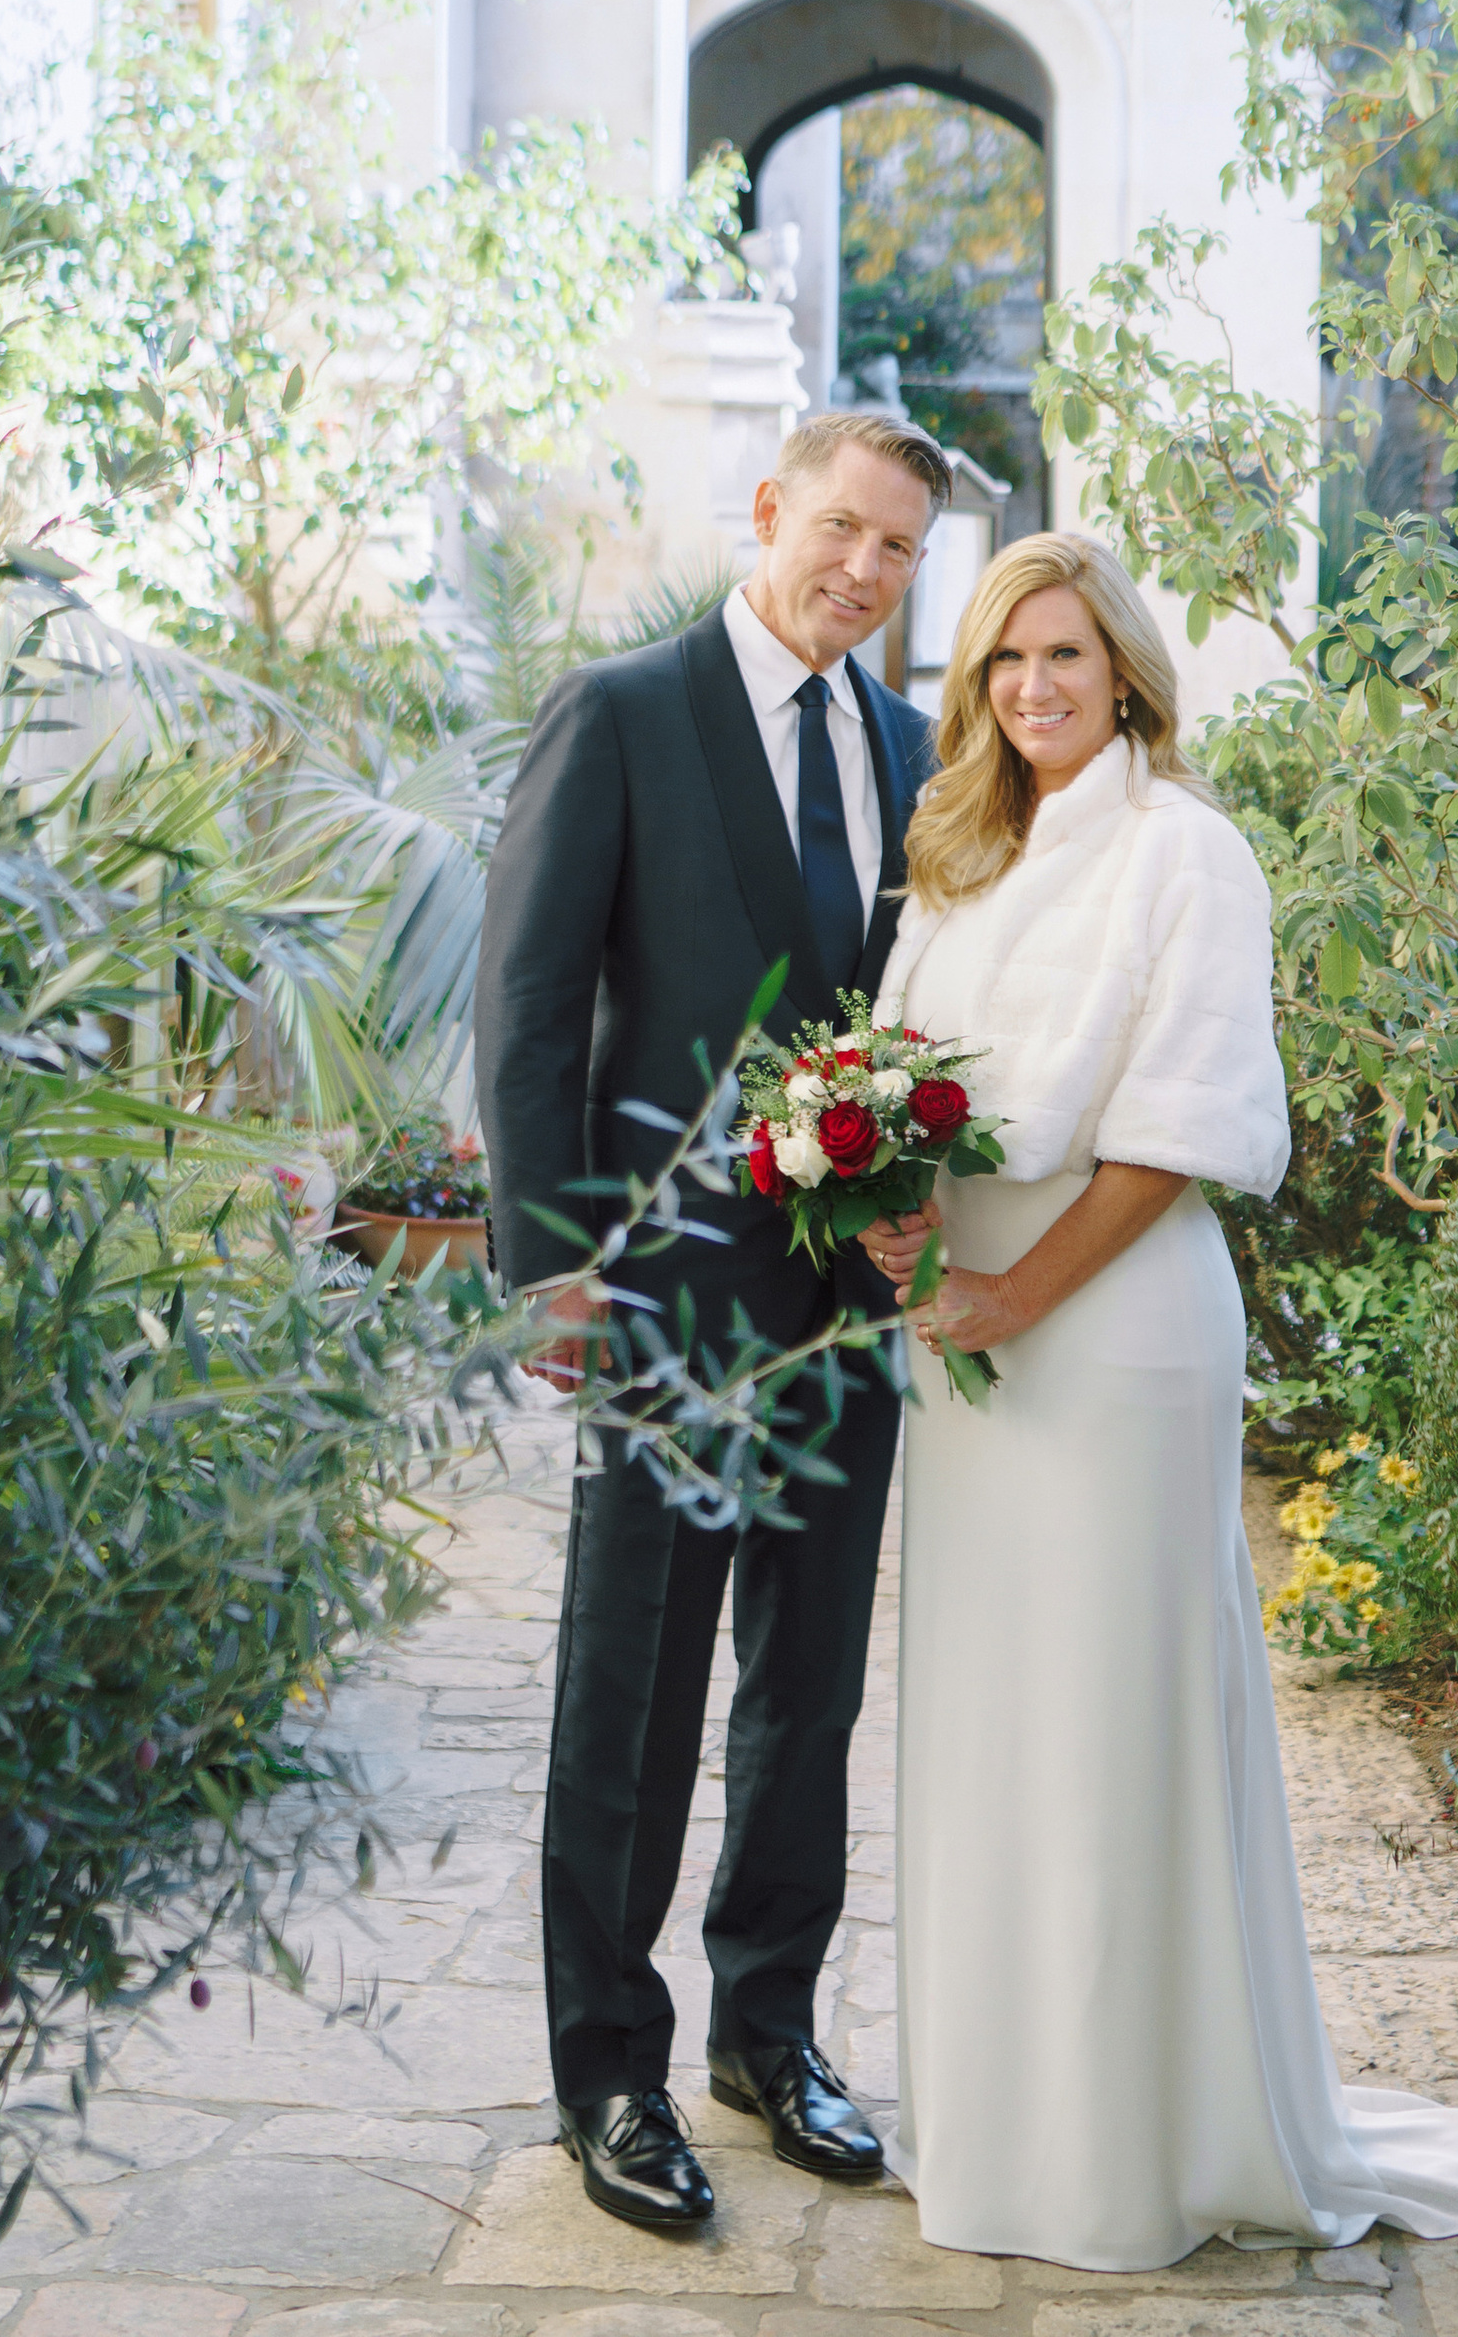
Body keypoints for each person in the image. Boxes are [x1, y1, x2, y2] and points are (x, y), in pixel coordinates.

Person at [861, 530, 1458, 2272]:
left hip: (1107, 1334)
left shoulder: (1191, 853)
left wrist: (1012, 1291)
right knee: (988, 1719)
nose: (1035, 689)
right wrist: (882, 1212)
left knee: (1114, 1716)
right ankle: (1002, 2126)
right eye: (1007, 661)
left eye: (1068, 661)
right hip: (961, 1343)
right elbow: (883, 1075)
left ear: (1128, 678)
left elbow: (1181, 1129)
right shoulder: (954, 849)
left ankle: (1132, 2144)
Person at [473, 410, 948, 2238]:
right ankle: (611, 2070)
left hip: (843, 1312)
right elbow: (526, 1004)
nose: (863, 571)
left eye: (899, 550)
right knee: (634, 1692)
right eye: (841, 529)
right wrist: (549, 1262)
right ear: (769, 512)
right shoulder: (623, 711)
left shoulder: (911, 747)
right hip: (660, 1309)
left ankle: (769, 2030)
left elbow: (910, 1024)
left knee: (807, 1689)